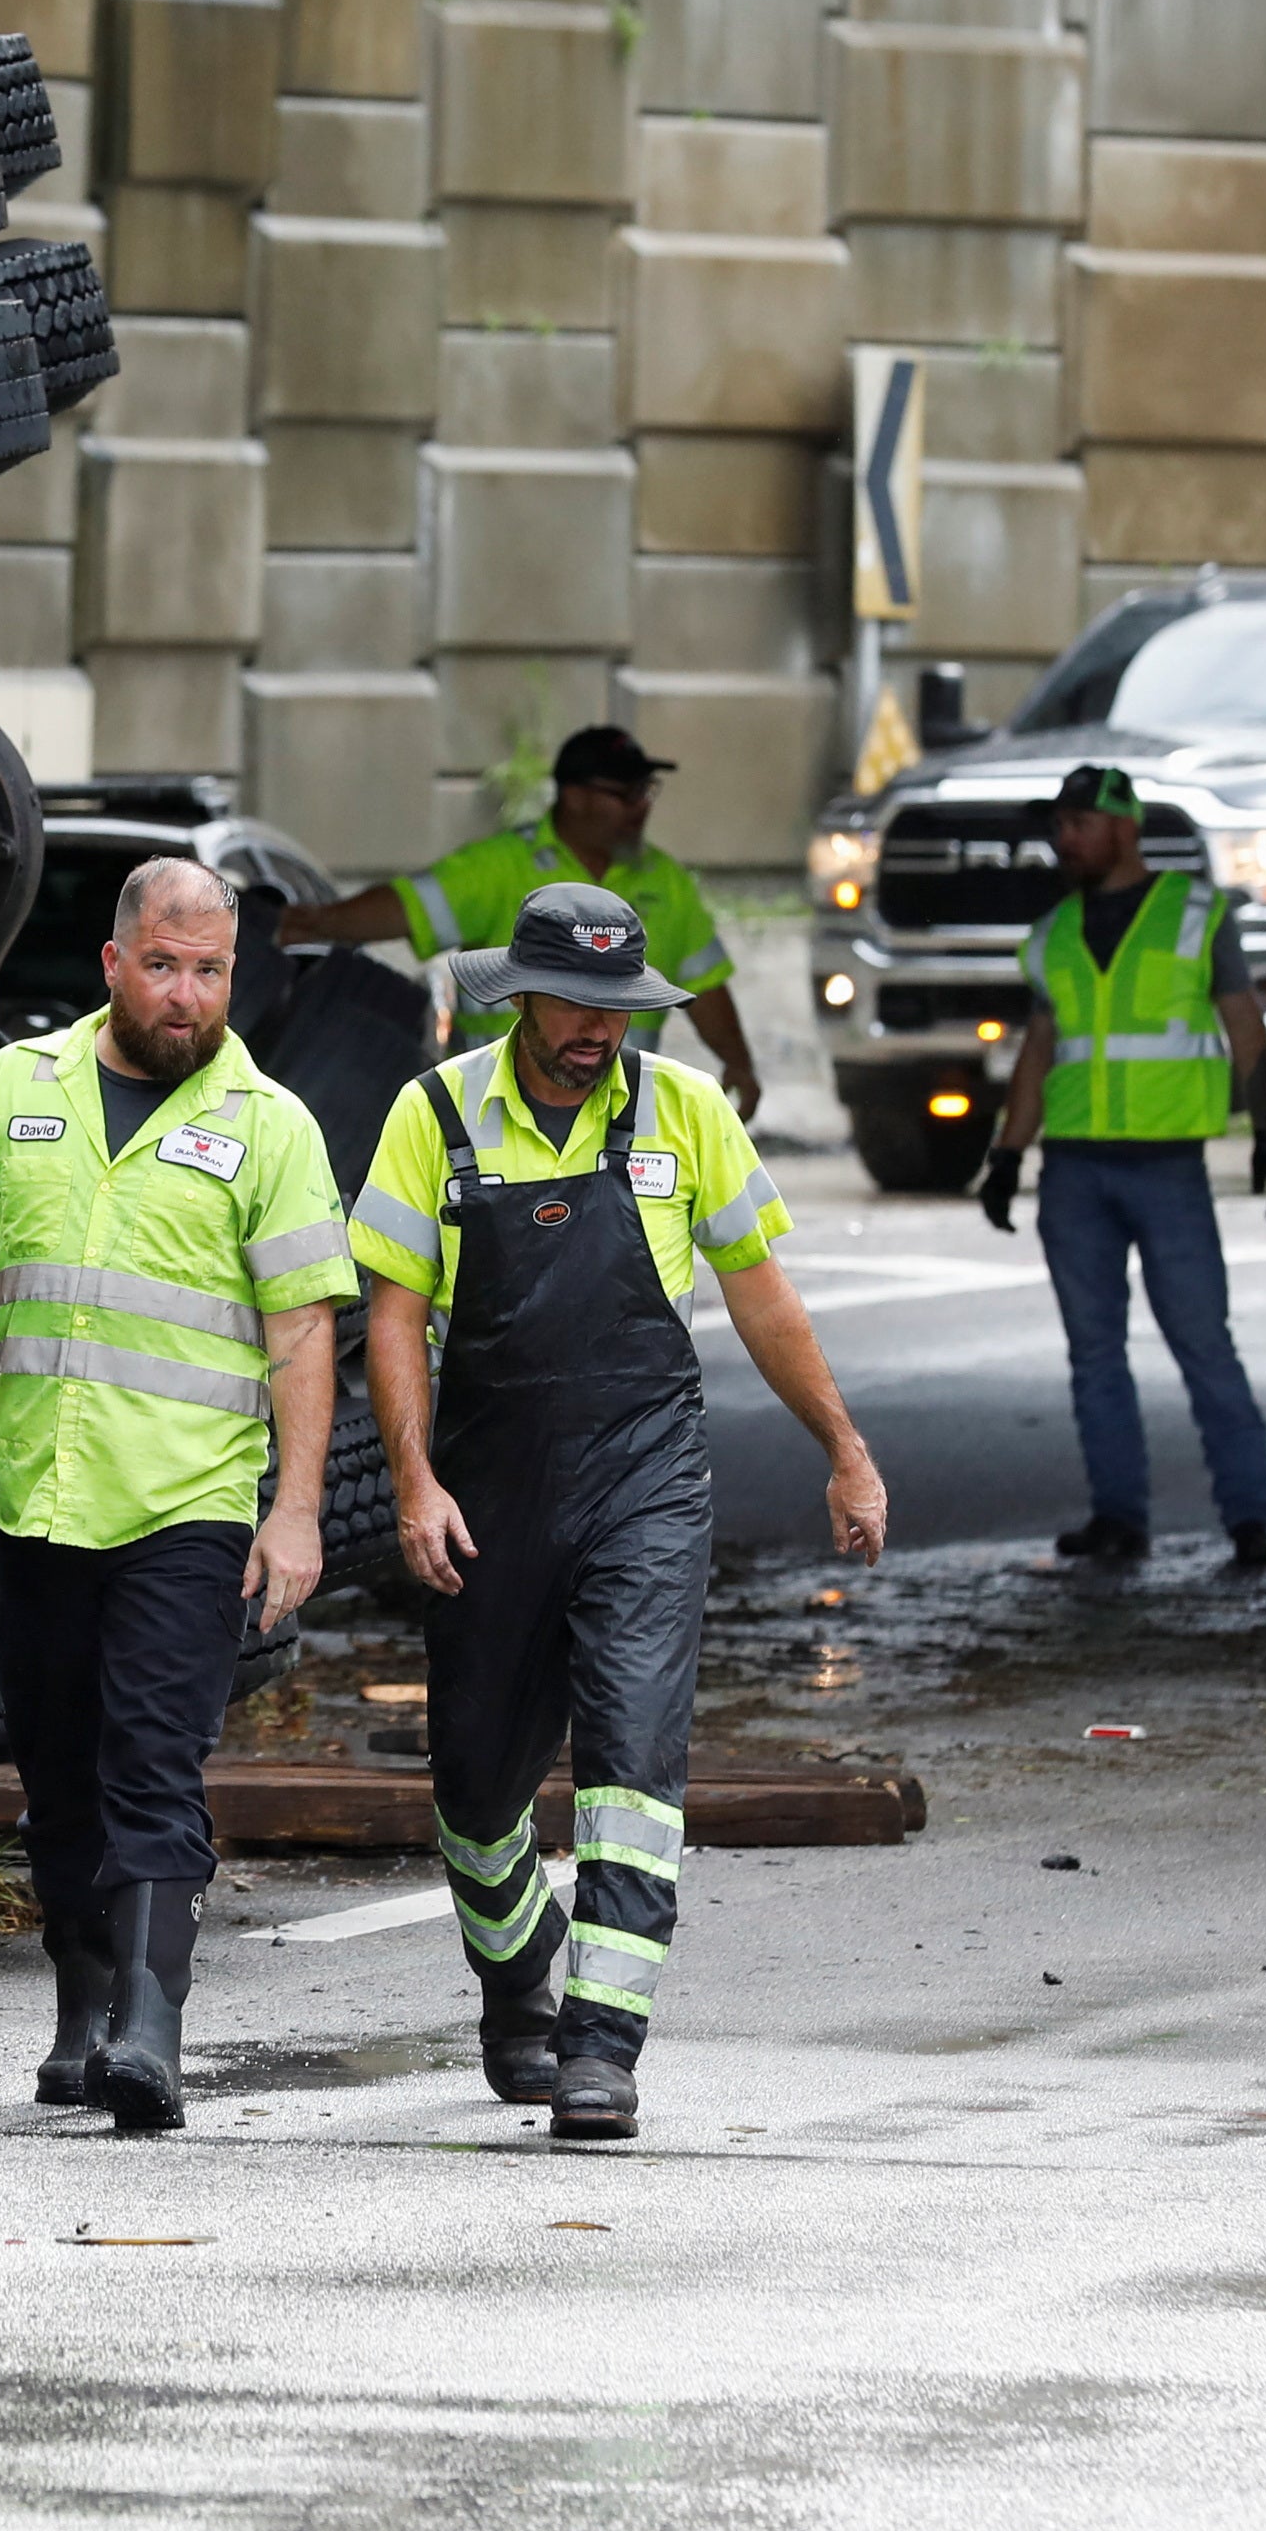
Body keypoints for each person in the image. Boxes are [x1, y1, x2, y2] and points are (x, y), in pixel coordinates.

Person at [348, 881, 890, 2146]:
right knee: (476, 1792)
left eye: (619, 1007)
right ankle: (517, 1974)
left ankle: (599, 2049)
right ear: (520, 996)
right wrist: (414, 1482)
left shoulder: (682, 1110)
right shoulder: (432, 1116)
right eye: (576, 1005)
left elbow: (762, 1298)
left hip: (645, 1475)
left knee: (631, 1763)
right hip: (487, 1487)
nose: (598, 1029)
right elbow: (387, 1320)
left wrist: (845, 1450)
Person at [0, 856, 353, 2136]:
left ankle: (150, 2027)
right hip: (40, 1495)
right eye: (164, 967)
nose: (187, 995)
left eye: (210, 971)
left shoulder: (270, 1126)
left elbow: (303, 1331)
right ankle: (81, 2005)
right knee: (59, 1764)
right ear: (114, 965)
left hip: (188, 1505)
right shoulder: (12, 1088)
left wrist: (293, 1507)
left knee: (151, 1761)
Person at [975, 763, 1266, 1575]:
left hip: (1167, 1166)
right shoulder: (1052, 934)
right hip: (1075, 1169)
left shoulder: (1194, 915)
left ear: (1125, 823)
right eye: (1059, 824)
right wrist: (1008, 1155)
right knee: (1094, 1354)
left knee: (1202, 1345)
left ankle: (1250, 1518)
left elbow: (1246, 1030)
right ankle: (1119, 1516)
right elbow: (1040, 1049)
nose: (1063, 837)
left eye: (1078, 822)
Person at [273, 724, 761, 1111]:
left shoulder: (666, 883)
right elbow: (403, 908)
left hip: (615, 1111)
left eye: (647, 791)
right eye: (626, 793)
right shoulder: (501, 867)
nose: (641, 807)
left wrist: (738, 1063)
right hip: (491, 1107)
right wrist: (313, 923)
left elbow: (707, 990)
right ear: (575, 796)